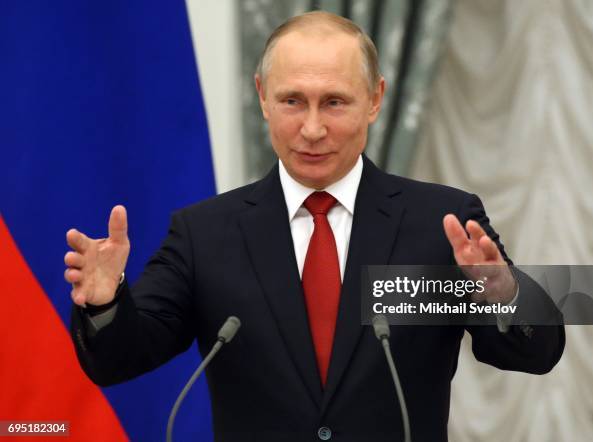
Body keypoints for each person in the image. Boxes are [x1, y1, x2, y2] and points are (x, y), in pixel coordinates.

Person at [65, 11, 564, 442]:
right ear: (262, 96)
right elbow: (118, 359)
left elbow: (539, 352)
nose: (311, 129)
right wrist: (107, 302)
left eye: (334, 102)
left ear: (374, 99)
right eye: (292, 101)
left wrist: (504, 292)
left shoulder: (442, 222)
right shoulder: (204, 233)